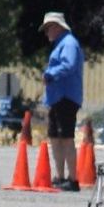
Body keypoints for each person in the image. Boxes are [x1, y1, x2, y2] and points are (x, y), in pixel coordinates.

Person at [39, 12, 84, 191]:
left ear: (57, 26)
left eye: (48, 28)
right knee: (55, 137)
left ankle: (73, 179)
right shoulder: (61, 44)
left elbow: (69, 65)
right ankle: (60, 177)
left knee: (66, 138)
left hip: (66, 97)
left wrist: (50, 74)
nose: (46, 32)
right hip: (57, 97)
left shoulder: (69, 43)